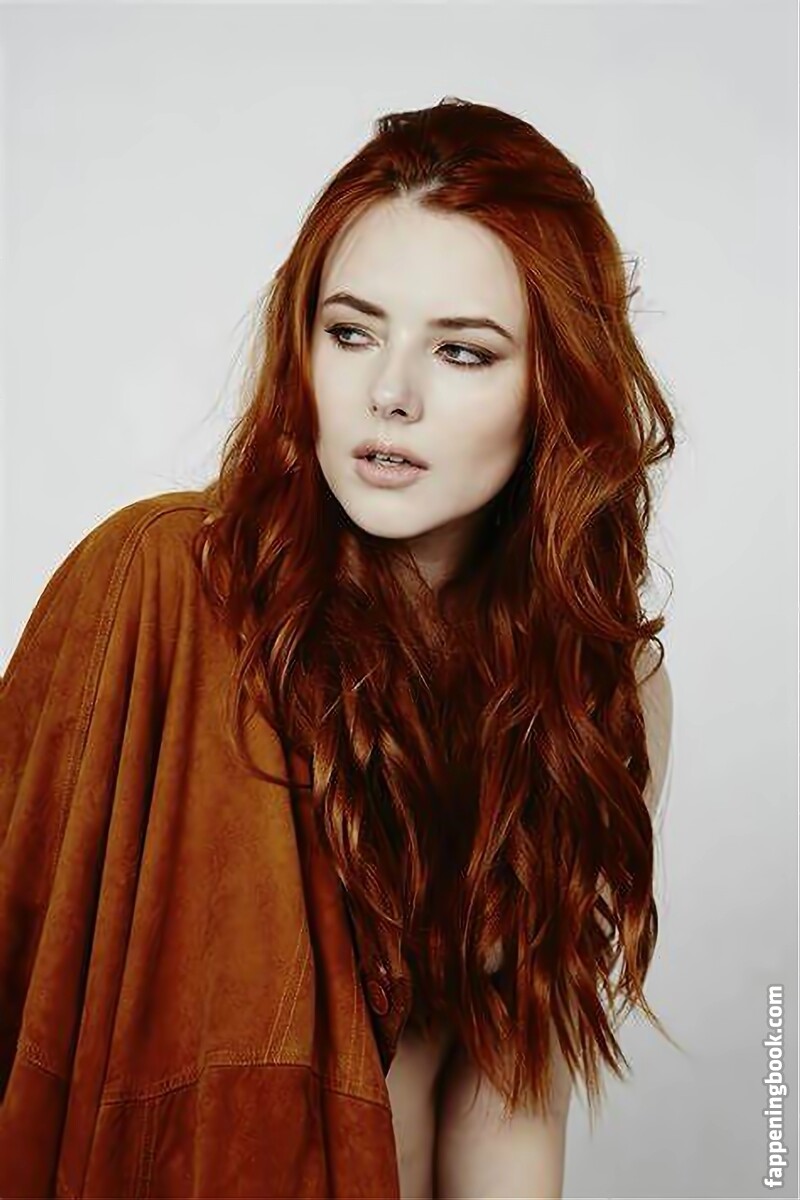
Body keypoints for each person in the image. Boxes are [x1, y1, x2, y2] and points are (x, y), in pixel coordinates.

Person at [0, 96, 675, 1198]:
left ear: (555, 386)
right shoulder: (164, 588)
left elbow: (509, 1105)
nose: (389, 395)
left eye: (462, 351)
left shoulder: (599, 690)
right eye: (351, 332)